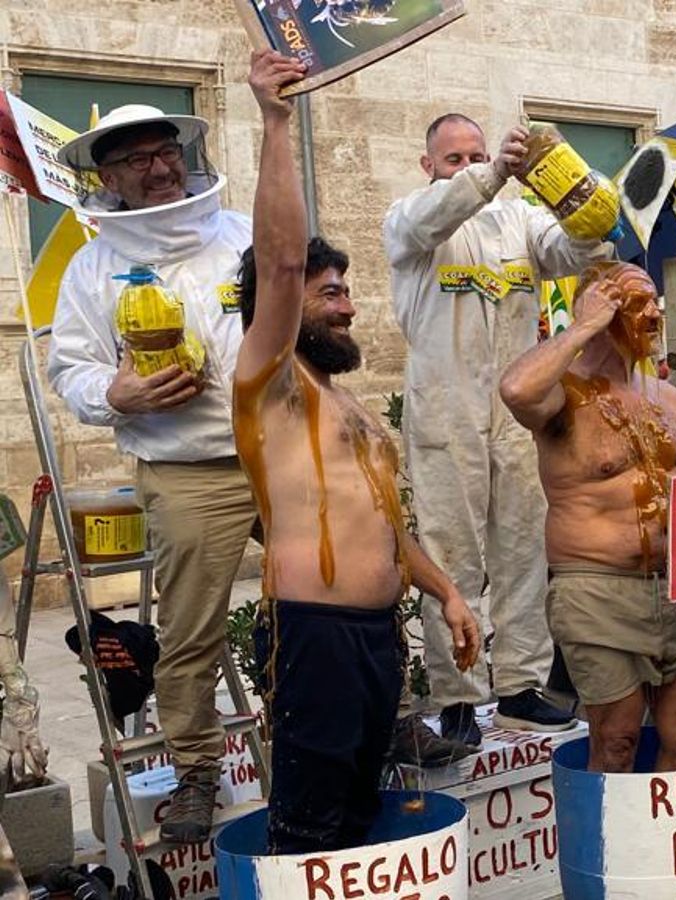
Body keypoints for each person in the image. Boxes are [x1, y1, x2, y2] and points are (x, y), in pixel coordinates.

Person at [232, 50, 481, 851]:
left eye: (345, 288)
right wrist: (276, 121)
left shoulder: (348, 406)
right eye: (329, 292)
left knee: (360, 815)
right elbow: (276, 260)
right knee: (311, 825)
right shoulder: (270, 386)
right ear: (281, 308)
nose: (348, 305)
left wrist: (445, 592)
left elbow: (386, 530)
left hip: (378, 638)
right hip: (314, 634)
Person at [49, 100, 255, 842]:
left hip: (281, 445)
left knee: (348, 583)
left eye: (166, 152)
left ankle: (379, 719)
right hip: (186, 467)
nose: (161, 168)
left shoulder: (239, 234)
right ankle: (198, 770)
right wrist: (115, 392)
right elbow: (69, 369)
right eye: (138, 160)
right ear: (108, 177)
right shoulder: (91, 267)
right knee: (192, 632)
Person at [383, 112, 610, 744]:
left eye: (477, 154)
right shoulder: (410, 221)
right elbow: (434, 218)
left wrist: (573, 191)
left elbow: (574, 250)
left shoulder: (520, 222)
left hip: (516, 410)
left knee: (522, 552)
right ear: (429, 165)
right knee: (450, 556)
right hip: (444, 411)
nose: (469, 165)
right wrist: (490, 175)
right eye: (454, 158)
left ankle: (520, 686)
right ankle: (456, 697)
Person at [499, 261, 676, 774]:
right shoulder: (564, 394)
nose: (653, 317)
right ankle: (613, 852)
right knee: (617, 736)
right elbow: (515, 390)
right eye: (637, 304)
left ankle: (666, 847)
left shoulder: (667, 398)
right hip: (597, 591)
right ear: (601, 309)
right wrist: (581, 328)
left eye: (655, 305)